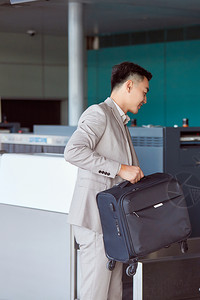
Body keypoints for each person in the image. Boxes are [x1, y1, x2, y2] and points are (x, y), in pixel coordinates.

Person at [64, 61, 152, 299]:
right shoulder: (99, 113)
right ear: (130, 86)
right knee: (95, 293)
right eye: (144, 92)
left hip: (112, 225)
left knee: (113, 293)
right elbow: (73, 151)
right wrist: (120, 168)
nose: (145, 99)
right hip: (94, 222)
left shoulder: (120, 121)